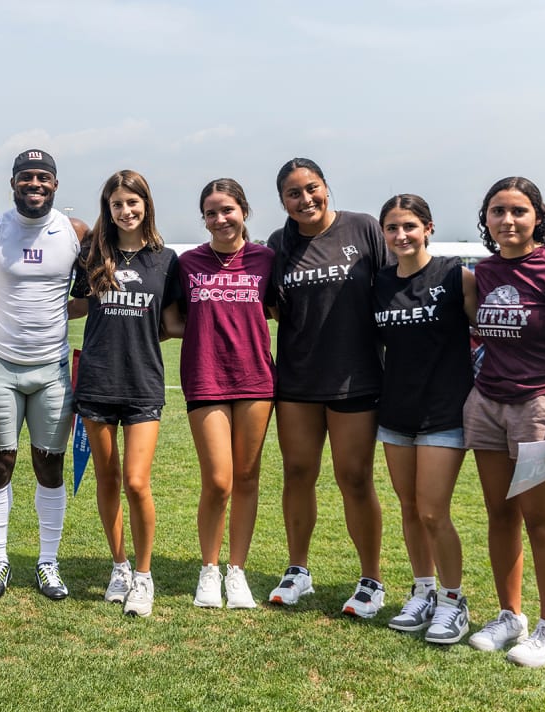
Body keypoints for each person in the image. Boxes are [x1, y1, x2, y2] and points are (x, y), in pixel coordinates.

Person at [465, 176, 545, 668]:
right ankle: (509, 616)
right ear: (487, 219)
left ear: (537, 215)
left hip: (542, 407)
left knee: (543, 523)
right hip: (488, 404)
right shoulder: (485, 270)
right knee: (500, 516)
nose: (508, 220)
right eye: (498, 211)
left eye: (518, 211)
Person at [266, 158, 390, 617]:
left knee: (354, 477)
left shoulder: (363, 228)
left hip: (356, 377)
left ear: (326, 187)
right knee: (298, 473)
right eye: (293, 194)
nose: (305, 200)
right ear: (282, 201)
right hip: (297, 380)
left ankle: (371, 579)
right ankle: (298, 570)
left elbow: (393, 287)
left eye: (311, 188)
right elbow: (276, 308)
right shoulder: (279, 243)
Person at [0, 149, 87, 601]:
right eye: (26, 177)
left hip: (53, 368)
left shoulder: (75, 231)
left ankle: (47, 562)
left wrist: (59, 309)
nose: (34, 184)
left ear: (55, 184)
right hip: (0, 365)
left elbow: (91, 291)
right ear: (14, 183)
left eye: (43, 178)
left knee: (49, 466)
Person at [69, 170, 181, 618]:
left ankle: (144, 575)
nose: (126, 210)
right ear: (108, 209)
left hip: (143, 383)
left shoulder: (166, 260)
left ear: (146, 205)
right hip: (96, 381)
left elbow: (171, 323)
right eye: (117, 204)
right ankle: (118, 567)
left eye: (132, 202)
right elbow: (75, 304)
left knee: (137, 482)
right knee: (108, 479)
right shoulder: (92, 255)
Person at [372, 194, 478, 645]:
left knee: (434, 510)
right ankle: (423, 591)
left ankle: (455, 601)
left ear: (428, 227)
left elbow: (488, 334)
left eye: (410, 226)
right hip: (397, 409)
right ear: (384, 234)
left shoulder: (457, 276)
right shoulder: (379, 283)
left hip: (444, 411)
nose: (401, 235)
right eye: (393, 228)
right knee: (410, 508)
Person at [180, 178, 275, 610]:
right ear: (203, 219)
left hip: (256, 379)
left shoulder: (266, 259)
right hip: (206, 378)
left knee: (248, 477)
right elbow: (170, 317)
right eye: (211, 213)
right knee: (218, 481)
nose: (221, 219)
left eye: (228, 210)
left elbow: (277, 310)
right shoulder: (187, 263)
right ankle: (209, 569)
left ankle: (237, 571)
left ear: (244, 211)